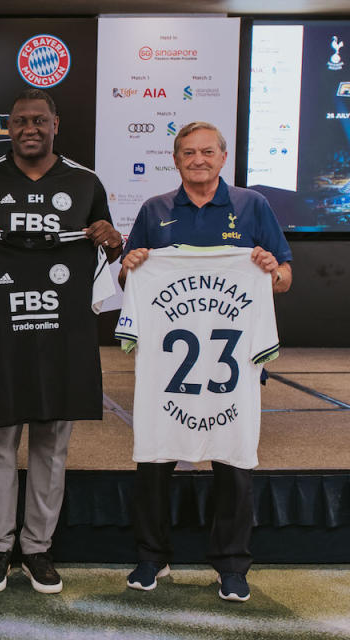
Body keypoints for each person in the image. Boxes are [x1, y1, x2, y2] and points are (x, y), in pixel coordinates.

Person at [0, 88, 123, 594]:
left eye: (39, 121)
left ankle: (38, 548)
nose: (30, 129)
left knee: (52, 441)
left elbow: (108, 250)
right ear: (9, 127)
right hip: (2, 330)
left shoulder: (85, 182)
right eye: (21, 121)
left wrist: (114, 241)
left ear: (56, 123)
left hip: (62, 331)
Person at [119, 121, 292, 602]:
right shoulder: (155, 209)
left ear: (223, 157)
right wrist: (129, 265)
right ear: (175, 160)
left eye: (207, 151)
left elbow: (284, 278)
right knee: (154, 458)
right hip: (167, 371)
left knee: (234, 461)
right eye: (188, 152)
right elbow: (129, 276)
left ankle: (232, 565)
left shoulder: (252, 205)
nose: (198, 159)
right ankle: (152, 557)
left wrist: (271, 271)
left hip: (231, 365)